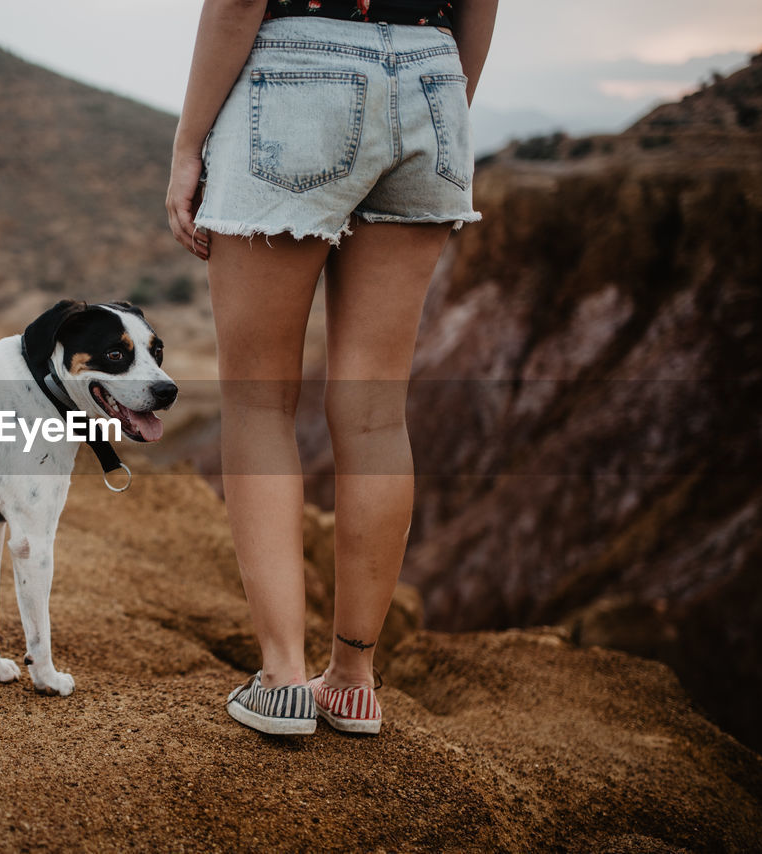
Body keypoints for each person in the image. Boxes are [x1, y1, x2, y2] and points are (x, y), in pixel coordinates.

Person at [166, 0, 498, 735]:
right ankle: (352, 680)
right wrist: (431, 96)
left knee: (258, 403)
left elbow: (237, 3)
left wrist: (189, 145)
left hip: (298, 71)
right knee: (376, 410)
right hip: (435, 78)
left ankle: (283, 680)